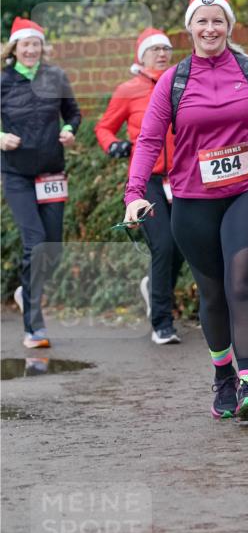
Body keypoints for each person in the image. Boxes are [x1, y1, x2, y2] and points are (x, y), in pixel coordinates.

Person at [123, 0, 248, 423]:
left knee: (240, 285)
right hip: (192, 199)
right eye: (202, 21)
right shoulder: (175, 80)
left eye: (218, 21)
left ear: (229, 26)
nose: (210, 28)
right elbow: (150, 139)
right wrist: (134, 194)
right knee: (212, 294)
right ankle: (223, 374)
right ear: (190, 28)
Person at [95, 28, 185, 345]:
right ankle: (161, 322)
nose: (162, 54)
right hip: (146, 179)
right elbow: (104, 127)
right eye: (155, 49)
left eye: (166, 49)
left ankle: (155, 289)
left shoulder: (181, 83)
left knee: (181, 246)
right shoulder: (128, 90)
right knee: (162, 244)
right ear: (141, 55)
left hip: (182, 177)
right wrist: (113, 145)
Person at [1, 17, 81, 348]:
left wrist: (69, 131)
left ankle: (26, 292)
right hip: (16, 173)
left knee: (54, 249)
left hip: (51, 173)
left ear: (42, 48)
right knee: (35, 242)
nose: (31, 49)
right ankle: (33, 326)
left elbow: (73, 114)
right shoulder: (3, 79)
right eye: (25, 44)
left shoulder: (56, 76)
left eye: (36, 44)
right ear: (15, 49)